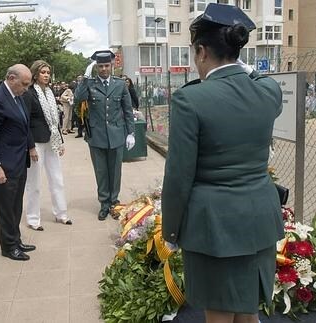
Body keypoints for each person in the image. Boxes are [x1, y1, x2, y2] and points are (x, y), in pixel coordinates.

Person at [161, 4, 284, 323]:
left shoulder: (190, 99)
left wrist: (171, 231)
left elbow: (178, 176)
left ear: (201, 51)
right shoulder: (267, 92)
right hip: (258, 219)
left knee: (218, 315)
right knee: (247, 311)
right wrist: (240, 65)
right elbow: (259, 78)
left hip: (214, 227)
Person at [0, 64, 36, 261]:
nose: (25, 88)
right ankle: (8, 246)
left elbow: (24, 125)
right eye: (23, 84)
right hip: (3, 165)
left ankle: (16, 240)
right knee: (5, 207)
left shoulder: (18, 97)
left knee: (15, 205)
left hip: (18, 161)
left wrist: (30, 147)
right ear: (11, 78)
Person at [74, 50, 135, 221]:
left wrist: (131, 132)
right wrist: (85, 79)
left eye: (106, 65)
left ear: (111, 66)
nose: (103, 69)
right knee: (101, 171)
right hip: (97, 135)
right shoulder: (90, 84)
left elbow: (127, 110)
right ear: (96, 68)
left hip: (116, 134)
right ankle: (104, 204)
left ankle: (114, 201)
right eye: (100, 66)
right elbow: (78, 98)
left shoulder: (120, 84)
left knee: (115, 171)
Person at [22, 60, 72, 231]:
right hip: (36, 142)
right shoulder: (28, 93)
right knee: (34, 183)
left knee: (57, 179)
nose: (46, 75)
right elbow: (25, 122)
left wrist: (61, 142)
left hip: (52, 140)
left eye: (48, 73)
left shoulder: (50, 93)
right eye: (43, 72)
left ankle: (61, 214)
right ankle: (33, 218)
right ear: (35, 74)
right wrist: (30, 147)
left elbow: (55, 121)